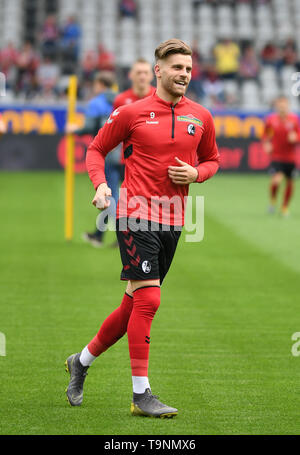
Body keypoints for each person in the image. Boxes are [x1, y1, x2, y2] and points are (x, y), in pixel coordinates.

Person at [65, 39, 219, 418]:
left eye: (187, 68)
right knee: (149, 301)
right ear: (158, 71)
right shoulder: (130, 112)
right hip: (134, 214)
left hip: (174, 219)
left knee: (133, 304)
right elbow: (96, 149)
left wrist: (196, 173)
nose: (183, 73)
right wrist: (101, 184)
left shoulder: (200, 115)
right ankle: (141, 394)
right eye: (176, 67)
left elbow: (213, 159)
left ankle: (81, 361)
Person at [83, 58, 155, 247]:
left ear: (151, 75)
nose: (141, 76)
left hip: (147, 163)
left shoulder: (158, 97)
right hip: (121, 158)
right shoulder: (121, 100)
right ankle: (119, 236)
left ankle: (117, 236)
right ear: (131, 75)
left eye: (145, 72)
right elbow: (115, 131)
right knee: (114, 197)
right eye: (138, 72)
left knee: (141, 201)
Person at [66, 71, 118, 246]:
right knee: (119, 195)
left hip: (108, 153)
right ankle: (99, 235)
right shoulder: (120, 100)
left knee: (110, 196)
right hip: (125, 154)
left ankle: (124, 235)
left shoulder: (97, 103)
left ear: (101, 85)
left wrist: (74, 129)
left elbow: (88, 127)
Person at [262, 95, 300, 216]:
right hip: (277, 156)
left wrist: (296, 138)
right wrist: (267, 144)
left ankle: (284, 207)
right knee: (276, 180)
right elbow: (265, 134)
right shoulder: (271, 120)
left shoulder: (293, 120)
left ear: (288, 106)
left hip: (290, 157)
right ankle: (273, 201)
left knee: (290, 181)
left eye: (284, 105)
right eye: (280, 105)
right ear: (277, 106)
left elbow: (298, 135)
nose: (282, 108)